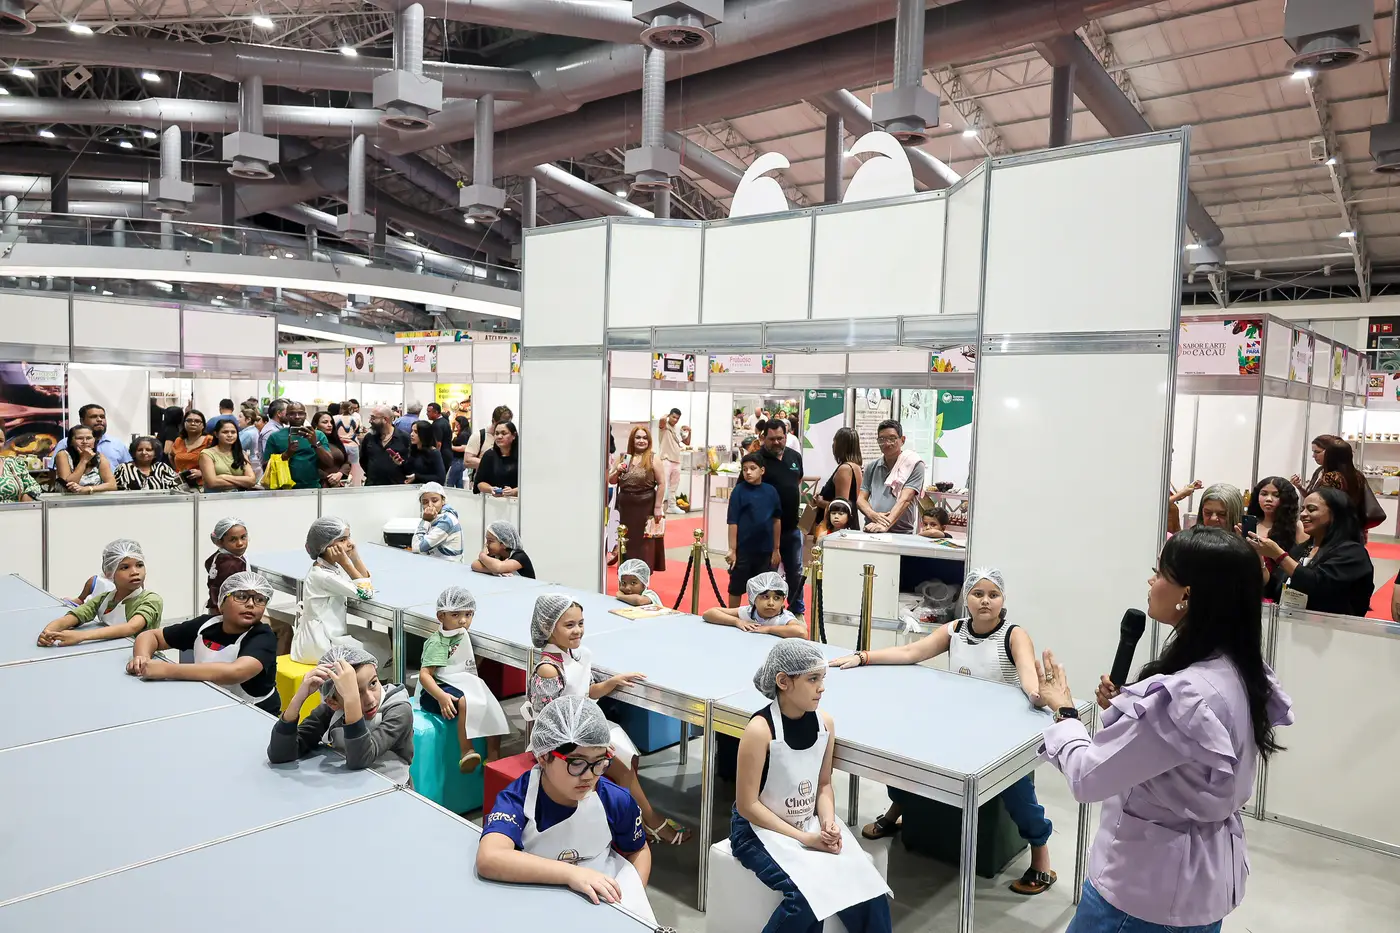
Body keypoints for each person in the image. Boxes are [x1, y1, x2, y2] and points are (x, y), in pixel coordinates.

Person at [1038, 526, 1293, 932]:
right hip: (1202, 886)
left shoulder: (1184, 698)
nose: (1151, 582)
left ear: (1187, 595)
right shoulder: (1239, 671)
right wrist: (1131, 712)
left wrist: (1064, 710)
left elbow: (1088, 777)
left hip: (1143, 895)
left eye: (1160, 573)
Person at [830, 568, 1058, 895]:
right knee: (905, 752)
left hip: (999, 732)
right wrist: (864, 656)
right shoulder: (956, 630)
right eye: (978, 593)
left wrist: (1039, 695)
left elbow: (1028, 679)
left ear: (1003, 600)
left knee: (1017, 788)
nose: (985, 601)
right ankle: (898, 810)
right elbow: (911, 652)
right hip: (956, 723)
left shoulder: (1014, 635)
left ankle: (1040, 856)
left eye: (993, 595)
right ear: (966, 598)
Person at [733, 641, 893, 933]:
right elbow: (747, 805)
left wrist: (828, 823)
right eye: (812, 679)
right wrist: (805, 838)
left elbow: (823, 784)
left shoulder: (825, 724)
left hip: (808, 820)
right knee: (807, 898)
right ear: (783, 681)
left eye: (822, 679)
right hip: (756, 830)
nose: (822, 688)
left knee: (868, 887)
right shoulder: (759, 730)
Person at [476, 695, 656, 923]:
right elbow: (490, 857)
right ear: (544, 756)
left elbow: (638, 850)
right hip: (536, 897)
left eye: (599, 762)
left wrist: (629, 904)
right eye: (577, 763)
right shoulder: (519, 798)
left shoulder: (615, 800)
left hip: (602, 903)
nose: (589, 775)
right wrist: (572, 874)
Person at [526, 594, 690, 846]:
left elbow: (587, 692)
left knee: (629, 759)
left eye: (580, 623)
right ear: (548, 627)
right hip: (563, 742)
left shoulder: (576, 656)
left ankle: (637, 818)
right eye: (569, 625)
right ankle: (650, 822)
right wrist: (592, 743)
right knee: (623, 769)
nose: (577, 630)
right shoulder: (549, 669)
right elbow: (548, 722)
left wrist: (612, 682)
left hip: (586, 728)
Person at [127, 571, 282, 715]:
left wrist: (166, 670)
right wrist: (142, 658)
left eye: (259, 600)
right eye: (241, 596)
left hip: (254, 712)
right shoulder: (205, 625)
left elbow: (235, 672)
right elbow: (151, 636)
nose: (251, 604)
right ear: (221, 603)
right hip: (210, 702)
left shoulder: (262, 636)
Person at [268, 644, 414, 784]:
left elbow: (361, 758)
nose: (370, 699)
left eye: (373, 683)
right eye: (357, 693)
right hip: (350, 784)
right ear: (333, 703)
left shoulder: (398, 710)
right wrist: (298, 698)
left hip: (392, 787)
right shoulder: (331, 712)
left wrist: (351, 699)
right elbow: (281, 754)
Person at [417, 586, 510, 772]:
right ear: (441, 616)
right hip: (435, 690)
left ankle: (493, 753)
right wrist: (441, 697)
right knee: (466, 701)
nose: (463, 620)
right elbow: (424, 675)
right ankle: (466, 751)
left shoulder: (460, 634)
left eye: (468, 614)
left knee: (489, 700)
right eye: (455, 615)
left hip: (458, 682)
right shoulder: (438, 643)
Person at [1250, 486, 1375, 615]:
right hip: (1293, 622)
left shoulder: (1352, 553)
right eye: (1302, 509)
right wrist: (1259, 559)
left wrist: (1279, 556)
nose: (1303, 514)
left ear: (1335, 514)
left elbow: (1318, 586)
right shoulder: (1302, 549)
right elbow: (1277, 589)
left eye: (1311, 509)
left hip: (1334, 625)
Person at [291, 517, 393, 668]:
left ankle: (375, 678)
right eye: (343, 540)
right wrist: (346, 563)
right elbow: (366, 593)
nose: (350, 543)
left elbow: (365, 582)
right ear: (326, 546)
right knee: (377, 649)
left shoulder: (329, 567)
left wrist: (355, 558)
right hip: (320, 644)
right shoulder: (323, 576)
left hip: (328, 633)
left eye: (349, 537)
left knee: (381, 639)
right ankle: (374, 679)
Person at [36, 539, 163, 647]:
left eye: (139, 565)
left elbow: (131, 627)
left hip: (139, 659)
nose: (135, 572)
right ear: (110, 573)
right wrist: (48, 632)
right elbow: (75, 616)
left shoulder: (151, 600)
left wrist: (81, 636)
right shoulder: (104, 599)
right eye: (125, 567)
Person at [760, 419, 806, 620]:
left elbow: (798, 480)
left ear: (786, 437)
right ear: (764, 438)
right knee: (767, 572)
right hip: (766, 530)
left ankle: (797, 610)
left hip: (792, 527)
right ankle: (765, 613)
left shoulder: (794, 457)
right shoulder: (757, 460)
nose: (777, 442)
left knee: (795, 572)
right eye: (772, 439)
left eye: (780, 438)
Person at [726, 451, 782, 608]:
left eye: (752, 468)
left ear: (762, 470)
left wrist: (776, 549)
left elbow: (776, 520)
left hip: (764, 550)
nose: (748, 472)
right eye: (745, 469)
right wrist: (732, 549)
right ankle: (733, 614)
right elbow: (732, 522)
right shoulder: (739, 491)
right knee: (736, 586)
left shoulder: (771, 491)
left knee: (763, 587)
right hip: (743, 549)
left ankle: (759, 615)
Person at [608, 425, 666, 571]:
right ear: (632, 440)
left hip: (645, 507)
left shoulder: (653, 458)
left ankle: (642, 573)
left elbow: (661, 483)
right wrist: (617, 471)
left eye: (645, 438)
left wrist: (658, 507)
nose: (641, 440)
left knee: (643, 544)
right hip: (625, 507)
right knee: (626, 542)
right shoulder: (624, 458)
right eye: (638, 437)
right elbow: (612, 481)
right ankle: (625, 572)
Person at [858, 419, 924, 535]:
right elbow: (861, 499)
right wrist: (873, 515)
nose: (887, 443)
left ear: (902, 440)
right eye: (882, 439)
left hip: (901, 533)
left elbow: (905, 499)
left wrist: (884, 524)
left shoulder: (914, 465)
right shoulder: (872, 467)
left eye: (892, 438)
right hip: (871, 529)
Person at [704, 572, 807, 639]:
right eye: (765, 597)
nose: (771, 603)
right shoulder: (748, 612)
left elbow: (802, 632)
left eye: (777, 598)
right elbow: (709, 613)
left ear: (783, 601)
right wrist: (737, 621)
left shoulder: (784, 617)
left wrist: (768, 629)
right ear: (753, 598)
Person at [261, 401, 333, 490]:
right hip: (284, 489)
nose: (297, 416)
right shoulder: (275, 437)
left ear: (305, 415)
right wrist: (286, 454)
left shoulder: (317, 435)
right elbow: (265, 467)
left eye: (300, 413)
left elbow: (330, 463)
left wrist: (315, 444)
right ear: (287, 416)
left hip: (312, 488)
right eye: (292, 414)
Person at [1244, 476, 1302, 577]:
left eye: (1276, 495)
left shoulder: (1296, 526)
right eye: (1264, 494)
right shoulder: (1251, 523)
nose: (1269, 499)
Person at [1315, 441, 1377, 531]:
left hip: (1336, 524)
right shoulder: (1358, 475)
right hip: (1356, 522)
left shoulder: (1331, 476)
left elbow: (1323, 500)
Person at [813, 427, 863, 533]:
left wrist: (820, 502)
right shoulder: (856, 467)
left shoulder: (845, 469)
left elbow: (841, 507)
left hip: (838, 530)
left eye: (834, 441)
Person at [50, 403, 132, 467]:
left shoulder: (117, 444)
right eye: (94, 417)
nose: (99, 420)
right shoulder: (66, 443)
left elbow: (129, 469)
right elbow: (54, 472)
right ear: (82, 421)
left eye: (102, 417)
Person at [54, 424, 116, 494]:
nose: (85, 442)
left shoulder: (100, 457)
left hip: (95, 499)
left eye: (89, 438)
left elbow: (112, 485)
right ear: (71, 442)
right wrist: (84, 460)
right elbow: (68, 486)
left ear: (94, 441)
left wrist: (88, 489)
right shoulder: (63, 455)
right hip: (68, 499)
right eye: (79, 438)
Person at [465, 404, 513, 494]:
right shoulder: (479, 436)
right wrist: (491, 463)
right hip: (484, 490)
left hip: (507, 489)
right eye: (501, 423)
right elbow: (467, 461)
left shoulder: (512, 438)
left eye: (508, 423)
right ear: (493, 421)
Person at [205, 517, 249, 613]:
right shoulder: (233, 564)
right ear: (219, 542)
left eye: (243, 537)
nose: (240, 543)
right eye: (233, 540)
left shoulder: (217, 556)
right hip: (227, 612)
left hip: (216, 607)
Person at [199, 419, 257, 491]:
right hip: (215, 497)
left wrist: (224, 477)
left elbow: (252, 481)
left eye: (233, 432)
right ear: (216, 434)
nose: (230, 435)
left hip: (239, 496)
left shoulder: (241, 453)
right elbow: (212, 483)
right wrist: (243, 484)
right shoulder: (207, 454)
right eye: (225, 432)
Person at [361, 405, 411, 486]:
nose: (370, 421)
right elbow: (363, 460)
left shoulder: (404, 438)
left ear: (385, 419)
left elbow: (410, 463)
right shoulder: (369, 437)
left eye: (373, 418)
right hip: (372, 485)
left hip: (396, 486)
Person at [413, 482, 463, 560]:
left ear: (443, 500)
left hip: (448, 565)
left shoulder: (446, 520)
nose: (430, 505)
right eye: (425, 502)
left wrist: (425, 520)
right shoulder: (435, 517)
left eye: (435, 501)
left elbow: (416, 547)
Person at [114, 436, 181, 491]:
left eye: (148, 450)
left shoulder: (162, 468)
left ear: (155, 453)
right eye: (140, 450)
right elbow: (116, 490)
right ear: (134, 453)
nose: (144, 452)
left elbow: (177, 488)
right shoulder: (123, 468)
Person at [167, 409, 211, 486]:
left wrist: (202, 473)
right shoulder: (179, 440)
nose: (193, 423)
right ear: (184, 423)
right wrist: (176, 470)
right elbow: (171, 455)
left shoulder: (209, 440)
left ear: (203, 425)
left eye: (197, 421)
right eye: (189, 420)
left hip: (203, 484)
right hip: (181, 485)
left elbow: (219, 463)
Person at [475, 420, 519, 496]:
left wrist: (515, 491)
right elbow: (480, 483)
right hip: (495, 501)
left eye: (504, 433)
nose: (499, 437)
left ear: (514, 435)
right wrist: (491, 489)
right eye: (497, 433)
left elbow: (533, 482)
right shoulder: (489, 455)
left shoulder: (523, 456)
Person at [656, 407, 685, 515]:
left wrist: (688, 431)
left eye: (677, 418)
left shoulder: (677, 429)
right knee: (663, 484)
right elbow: (662, 419)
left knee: (674, 486)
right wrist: (667, 415)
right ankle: (659, 508)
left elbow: (686, 442)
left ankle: (672, 506)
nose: (675, 420)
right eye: (673, 417)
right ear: (669, 416)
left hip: (676, 460)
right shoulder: (664, 425)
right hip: (666, 459)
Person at [310, 410, 349, 487]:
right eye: (325, 422)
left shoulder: (336, 441)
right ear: (316, 425)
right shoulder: (312, 442)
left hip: (339, 483)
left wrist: (340, 474)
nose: (330, 425)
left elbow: (346, 462)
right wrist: (330, 478)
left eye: (331, 422)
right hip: (320, 484)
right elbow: (310, 464)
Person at [0, 431, 40, 502]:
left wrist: (26, 499)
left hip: (14, 508)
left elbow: (34, 486)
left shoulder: (14, 464)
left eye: (0, 441)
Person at [406, 421, 446, 485]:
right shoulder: (413, 449)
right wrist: (400, 463)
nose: (411, 434)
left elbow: (440, 478)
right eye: (412, 431)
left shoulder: (433, 453)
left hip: (426, 488)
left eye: (416, 432)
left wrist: (417, 477)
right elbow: (409, 470)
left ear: (423, 434)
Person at [333, 400, 362, 485]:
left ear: (341, 408)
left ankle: (339, 484)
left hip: (340, 446)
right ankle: (355, 485)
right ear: (351, 409)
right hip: (353, 445)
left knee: (339, 467)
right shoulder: (356, 419)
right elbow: (357, 431)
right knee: (355, 467)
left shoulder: (335, 418)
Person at [425, 402, 454, 475]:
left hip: (442, 456)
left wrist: (435, 458)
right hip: (447, 455)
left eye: (429, 411)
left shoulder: (437, 425)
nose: (427, 413)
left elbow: (438, 443)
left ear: (436, 412)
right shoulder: (445, 421)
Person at [257, 398, 288, 467]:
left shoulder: (279, 428)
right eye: (287, 411)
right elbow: (268, 459)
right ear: (279, 413)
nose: (289, 414)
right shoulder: (271, 431)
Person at [446, 415, 471, 489]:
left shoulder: (463, 434)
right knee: (458, 482)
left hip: (458, 460)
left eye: (457, 424)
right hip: (460, 460)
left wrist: (451, 447)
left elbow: (463, 448)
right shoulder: (465, 433)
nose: (456, 426)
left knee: (450, 481)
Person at [238, 408, 262, 476]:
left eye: (240, 417)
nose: (238, 419)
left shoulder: (248, 434)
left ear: (248, 419)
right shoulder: (254, 430)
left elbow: (236, 448)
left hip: (251, 464)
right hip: (255, 464)